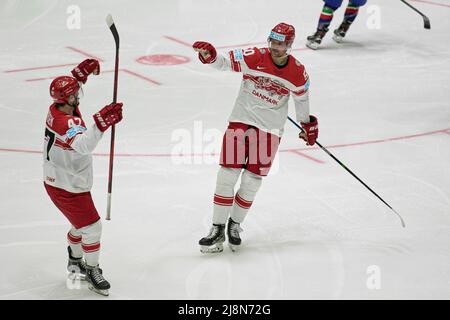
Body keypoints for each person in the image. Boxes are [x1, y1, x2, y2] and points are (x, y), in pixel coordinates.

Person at [193, 23, 319, 253]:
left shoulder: (298, 73)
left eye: (281, 44)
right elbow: (223, 62)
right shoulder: (254, 57)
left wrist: (307, 124)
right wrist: (210, 56)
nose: (276, 48)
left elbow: (302, 100)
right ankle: (217, 227)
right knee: (226, 174)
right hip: (241, 120)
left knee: (252, 181)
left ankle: (235, 224)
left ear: (290, 45)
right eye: (273, 42)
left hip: (270, 130)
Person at [43, 59, 123, 296]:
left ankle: (74, 261)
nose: (78, 96)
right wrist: (100, 123)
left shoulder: (58, 109)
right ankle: (91, 269)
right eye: (75, 94)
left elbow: (68, 95)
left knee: (81, 225)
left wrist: (79, 76)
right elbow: (84, 145)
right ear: (67, 99)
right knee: (93, 227)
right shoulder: (65, 121)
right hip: (66, 185)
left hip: (63, 180)